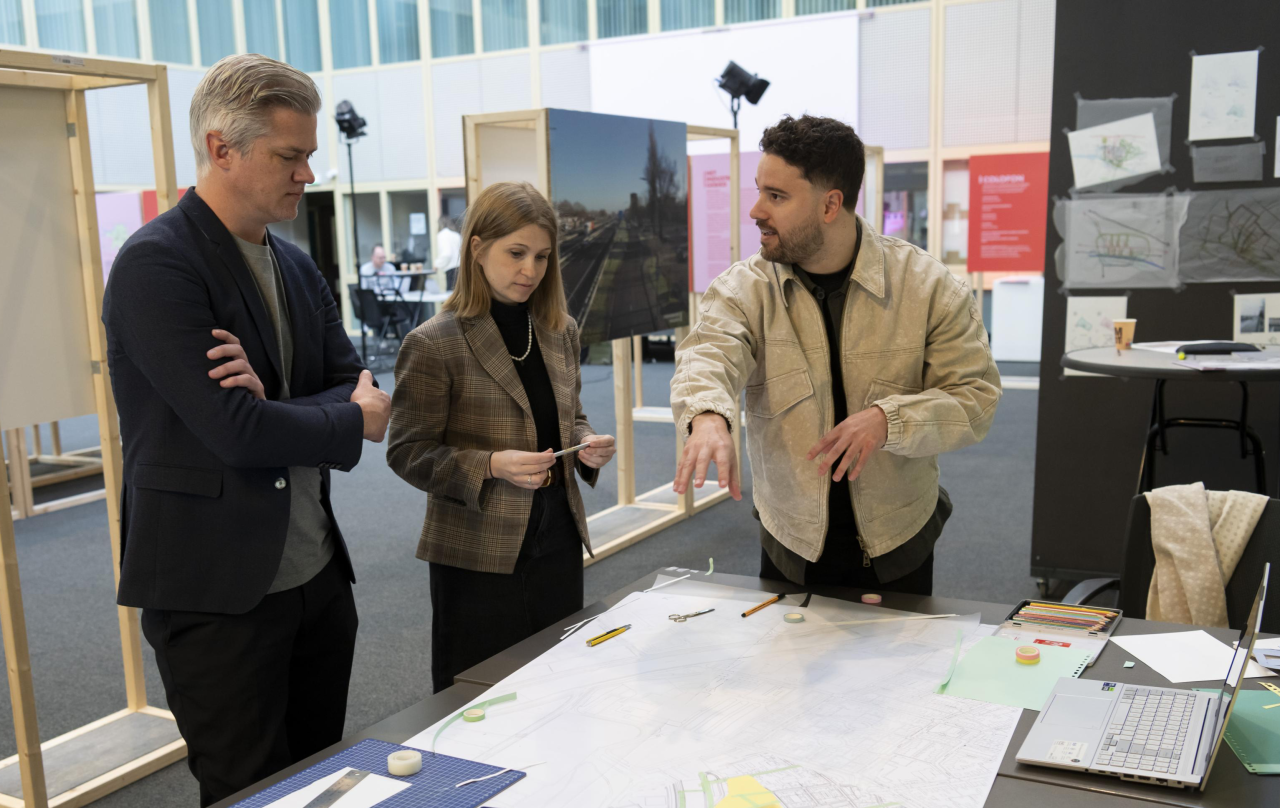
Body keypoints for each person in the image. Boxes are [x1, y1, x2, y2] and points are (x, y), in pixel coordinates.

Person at [101, 54, 391, 806]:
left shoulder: (295, 267)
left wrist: (281, 410)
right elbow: (237, 432)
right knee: (247, 793)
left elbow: (353, 385)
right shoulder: (156, 266)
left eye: (309, 156)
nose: (307, 175)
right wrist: (327, 416)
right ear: (221, 147)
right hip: (215, 592)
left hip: (316, 578)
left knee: (323, 781)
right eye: (290, 156)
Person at [670, 114, 1001, 595]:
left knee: (903, 670)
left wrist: (890, 421)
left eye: (777, 196)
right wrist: (706, 416)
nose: (756, 211)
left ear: (831, 205)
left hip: (898, 539)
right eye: (759, 191)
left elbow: (976, 398)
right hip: (790, 542)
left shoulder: (928, 287)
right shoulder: (744, 289)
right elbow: (708, 357)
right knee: (786, 668)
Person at [387, 182, 615, 693]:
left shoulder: (560, 331)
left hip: (556, 540)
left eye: (541, 256)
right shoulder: (433, 343)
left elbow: (569, 416)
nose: (530, 270)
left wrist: (587, 441)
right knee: (479, 703)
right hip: (477, 557)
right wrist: (490, 464)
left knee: (558, 692)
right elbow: (406, 453)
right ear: (476, 248)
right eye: (516, 253)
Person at [434, 215, 462, 290]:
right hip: (461, 268)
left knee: (450, 295)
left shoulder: (442, 235)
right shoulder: (456, 235)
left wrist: (436, 264)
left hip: (451, 270)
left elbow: (447, 254)